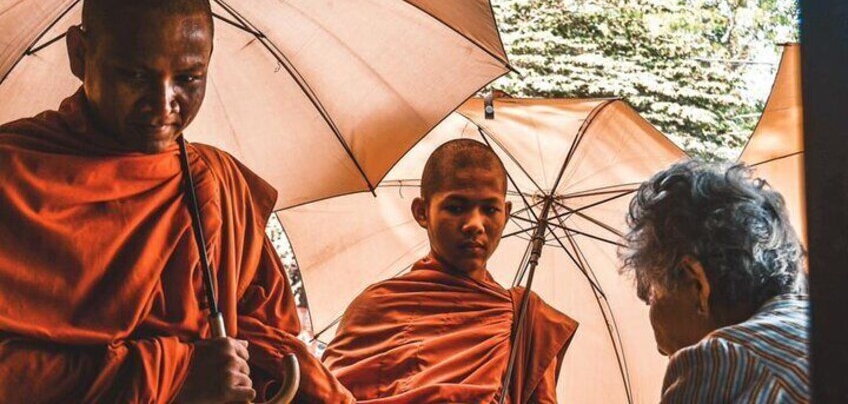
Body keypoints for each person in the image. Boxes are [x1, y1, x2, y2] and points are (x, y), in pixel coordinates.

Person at [0, 0, 353, 403]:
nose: (165, 102)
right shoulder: (14, 175)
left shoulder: (217, 184)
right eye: (134, 76)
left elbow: (267, 337)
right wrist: (176, 374)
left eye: (188, 78)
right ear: (79, 54)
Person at [323, 138, 578, 403]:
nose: (475, 224)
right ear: (422, 212)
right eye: (456, 208)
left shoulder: (525, 319)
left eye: (490, 209)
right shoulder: (378, 307)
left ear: (507, 213)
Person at [620, 161, 809, 403]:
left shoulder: (723, 358)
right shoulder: (822, 326)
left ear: (696, 283)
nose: (660, 350)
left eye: (652, 295)